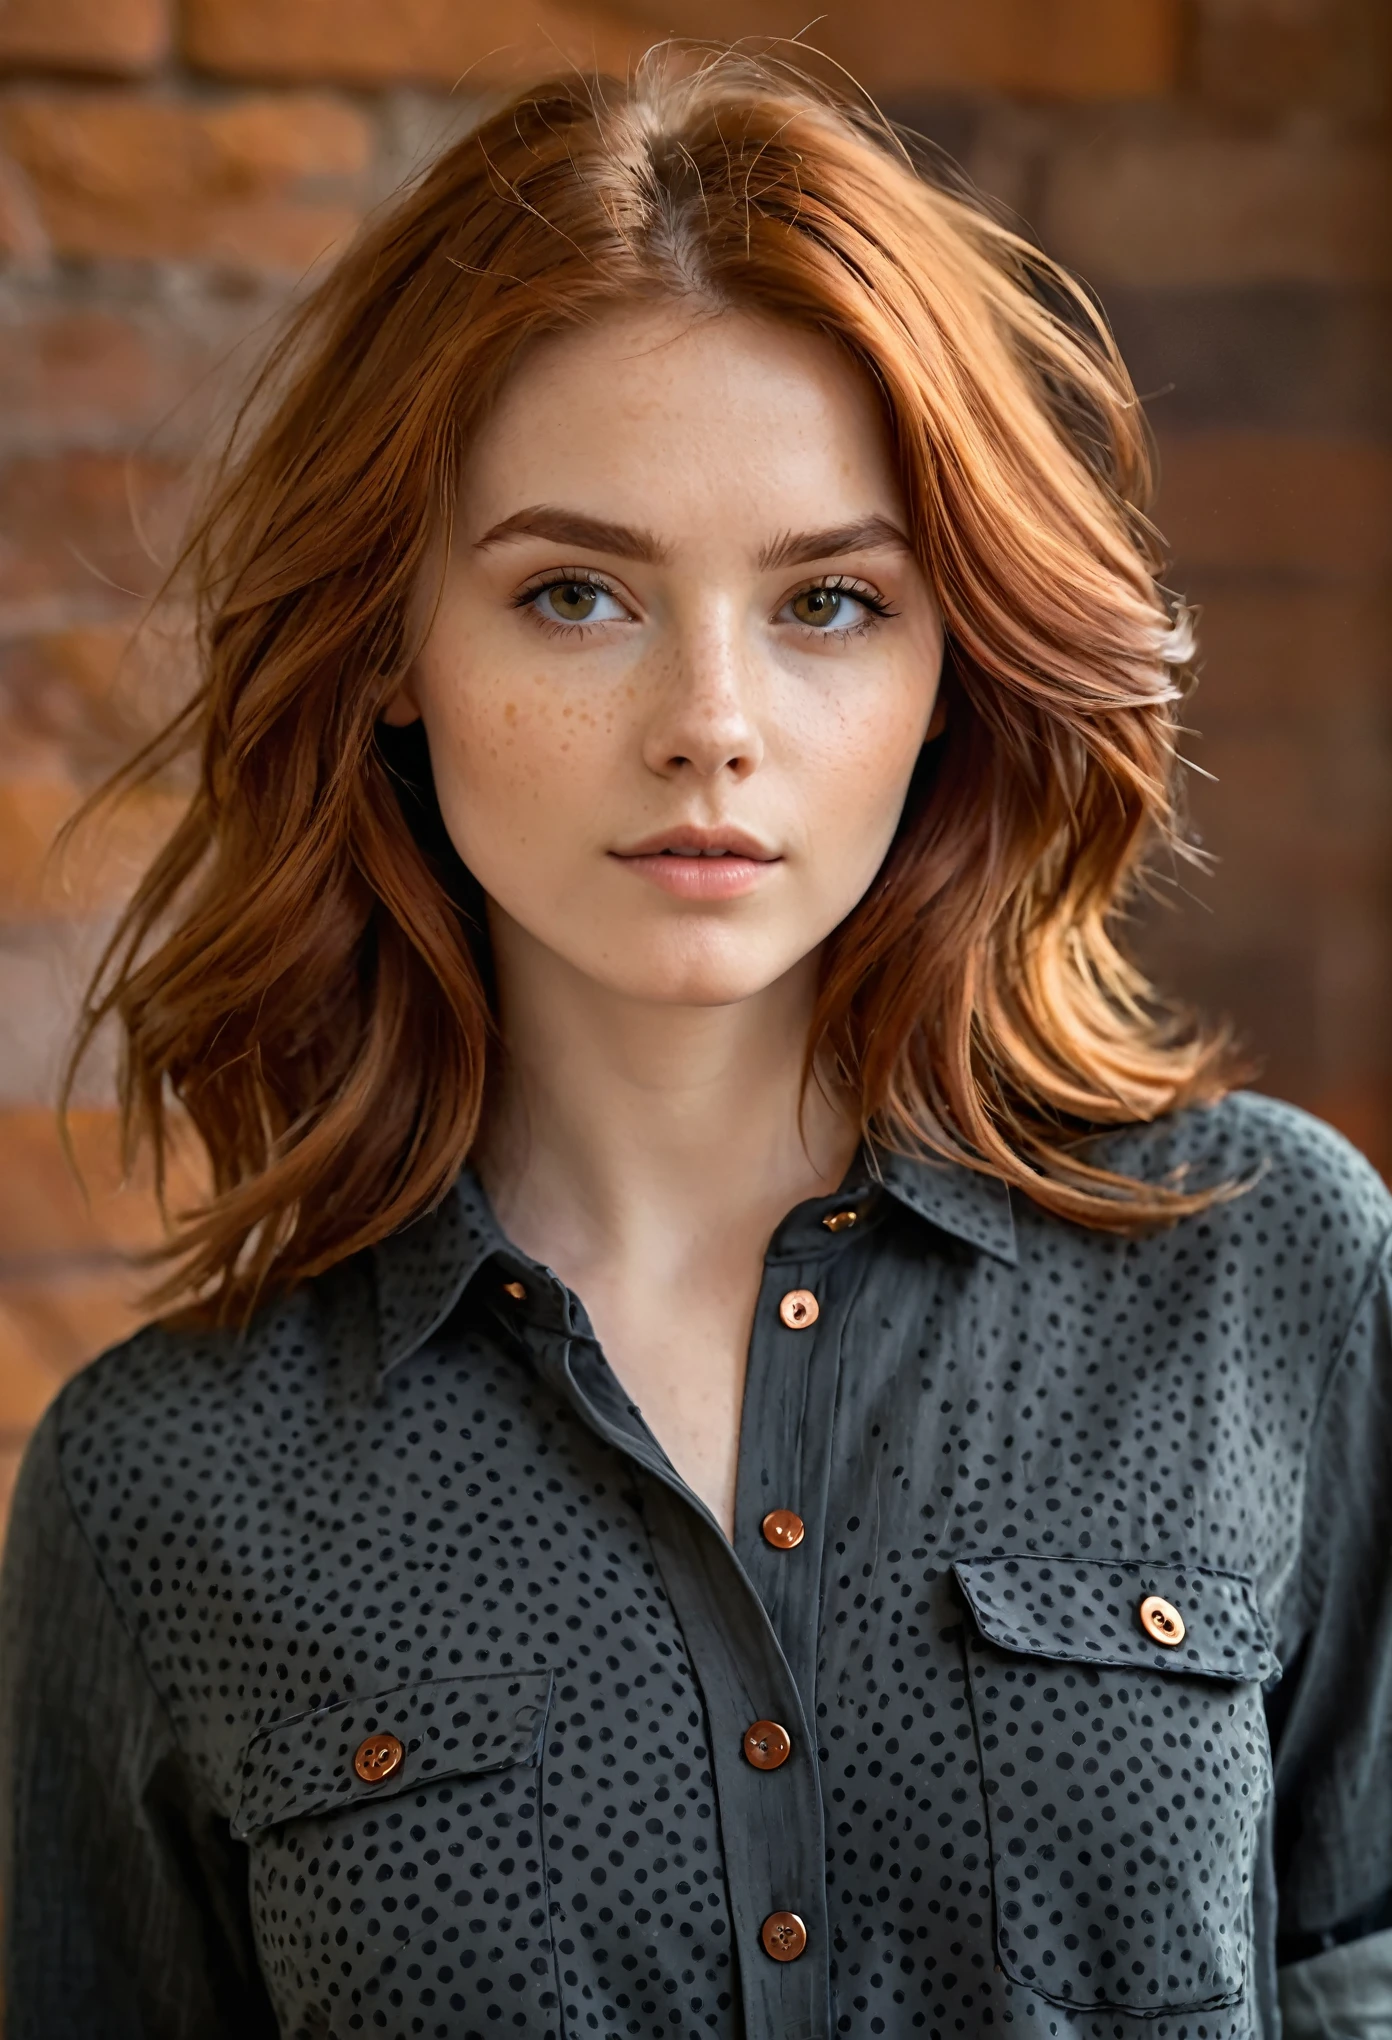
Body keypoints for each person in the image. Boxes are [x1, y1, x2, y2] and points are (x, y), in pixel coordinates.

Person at [2, 47, 1389, 2040]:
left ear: (951, 663)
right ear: (393, 645)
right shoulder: (162, 1500)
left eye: (829, 601)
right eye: (575, 594)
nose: (710, 723)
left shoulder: (1273, 1283)